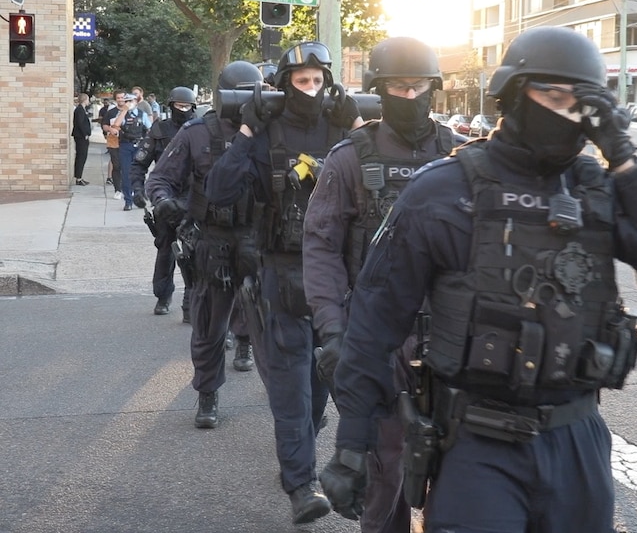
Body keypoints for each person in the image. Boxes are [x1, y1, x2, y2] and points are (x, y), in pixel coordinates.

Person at [318, 26, 637, 532]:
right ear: (512, 94)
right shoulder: (443, 191)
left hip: (577, 441)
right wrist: (352, 446)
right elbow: (374, 325)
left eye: (580, 100)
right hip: (477, 445)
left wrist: (625, 161)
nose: (567, 111)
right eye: (551, 94)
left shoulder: (599, 190)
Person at [303, 35, 459, 533]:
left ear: (433, 88)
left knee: (460, 480)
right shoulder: (350, 158)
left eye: (417, 87)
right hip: (380, 342)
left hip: (454, 341)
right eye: (398, 87)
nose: (409, 97)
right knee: (384, 478)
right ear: (379, 89)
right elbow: (322, 246)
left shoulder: (461, 155)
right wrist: (333, 329)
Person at [205, 41, 362, 525]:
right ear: (285, 82)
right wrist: (248, 127)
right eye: (302, 81)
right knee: (292, 389)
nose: (310, 89)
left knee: (319, 393)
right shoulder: (265, 133)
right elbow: (219, 190)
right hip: (281, 275)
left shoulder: (342, 130)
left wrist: (358, 125)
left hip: (334, 281)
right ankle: (300, 484)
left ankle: (301, 459)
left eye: (318, 81)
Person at [145, 62, 262, 431]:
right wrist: (163, 201)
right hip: (211, 237)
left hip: (257, 236)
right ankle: (208, 392)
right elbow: (161, 177)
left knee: (269, 316)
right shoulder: (196, 133)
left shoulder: (271, 131)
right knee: (209, 324)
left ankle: (248, 345)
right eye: (241, 92)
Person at [131, 86, 198, 319]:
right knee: (166, 250)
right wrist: (138, 190)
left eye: (187, 106)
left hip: (193, 200)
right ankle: (163, 296)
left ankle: (191, 302)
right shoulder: (159, 131)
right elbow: (139, 163)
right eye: (179, 106)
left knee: (195, 253)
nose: (183, 110)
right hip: (165, 197)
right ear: (171, 107)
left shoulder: (199, 130)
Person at [111, 92, 151, 211]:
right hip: (126, 145)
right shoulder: (122, 114)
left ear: (136, 102)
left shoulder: (141, 114)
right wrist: (124, 110)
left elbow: (149, 129)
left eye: (131, 101)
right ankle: (128, 201)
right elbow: (116, 125)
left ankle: (139, 196)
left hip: (139, 145)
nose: (129, 104)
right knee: (126, 173)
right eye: (126, 101)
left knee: (139, 172)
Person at [101, 91, 125, 197]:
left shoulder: (130, 112)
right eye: (118, 98)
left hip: (126, 142)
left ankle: (127, 188)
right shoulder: (111, 112)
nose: (120, 99)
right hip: (113, 142)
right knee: (116, 165)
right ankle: (118, 190)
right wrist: (110, 129)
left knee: (127, 166)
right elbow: (104, 125)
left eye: (122, 97)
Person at [71, 93, 92, 186]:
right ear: (84, 100)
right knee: (81, 156)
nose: (88, 101)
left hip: (82, 136)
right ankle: (78, 178)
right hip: (81, 137)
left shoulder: (82, 110)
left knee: (82, 156)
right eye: (87, 99)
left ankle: (79, 176)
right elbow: (79, 123)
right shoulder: (79, 110)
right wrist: (85, 134)